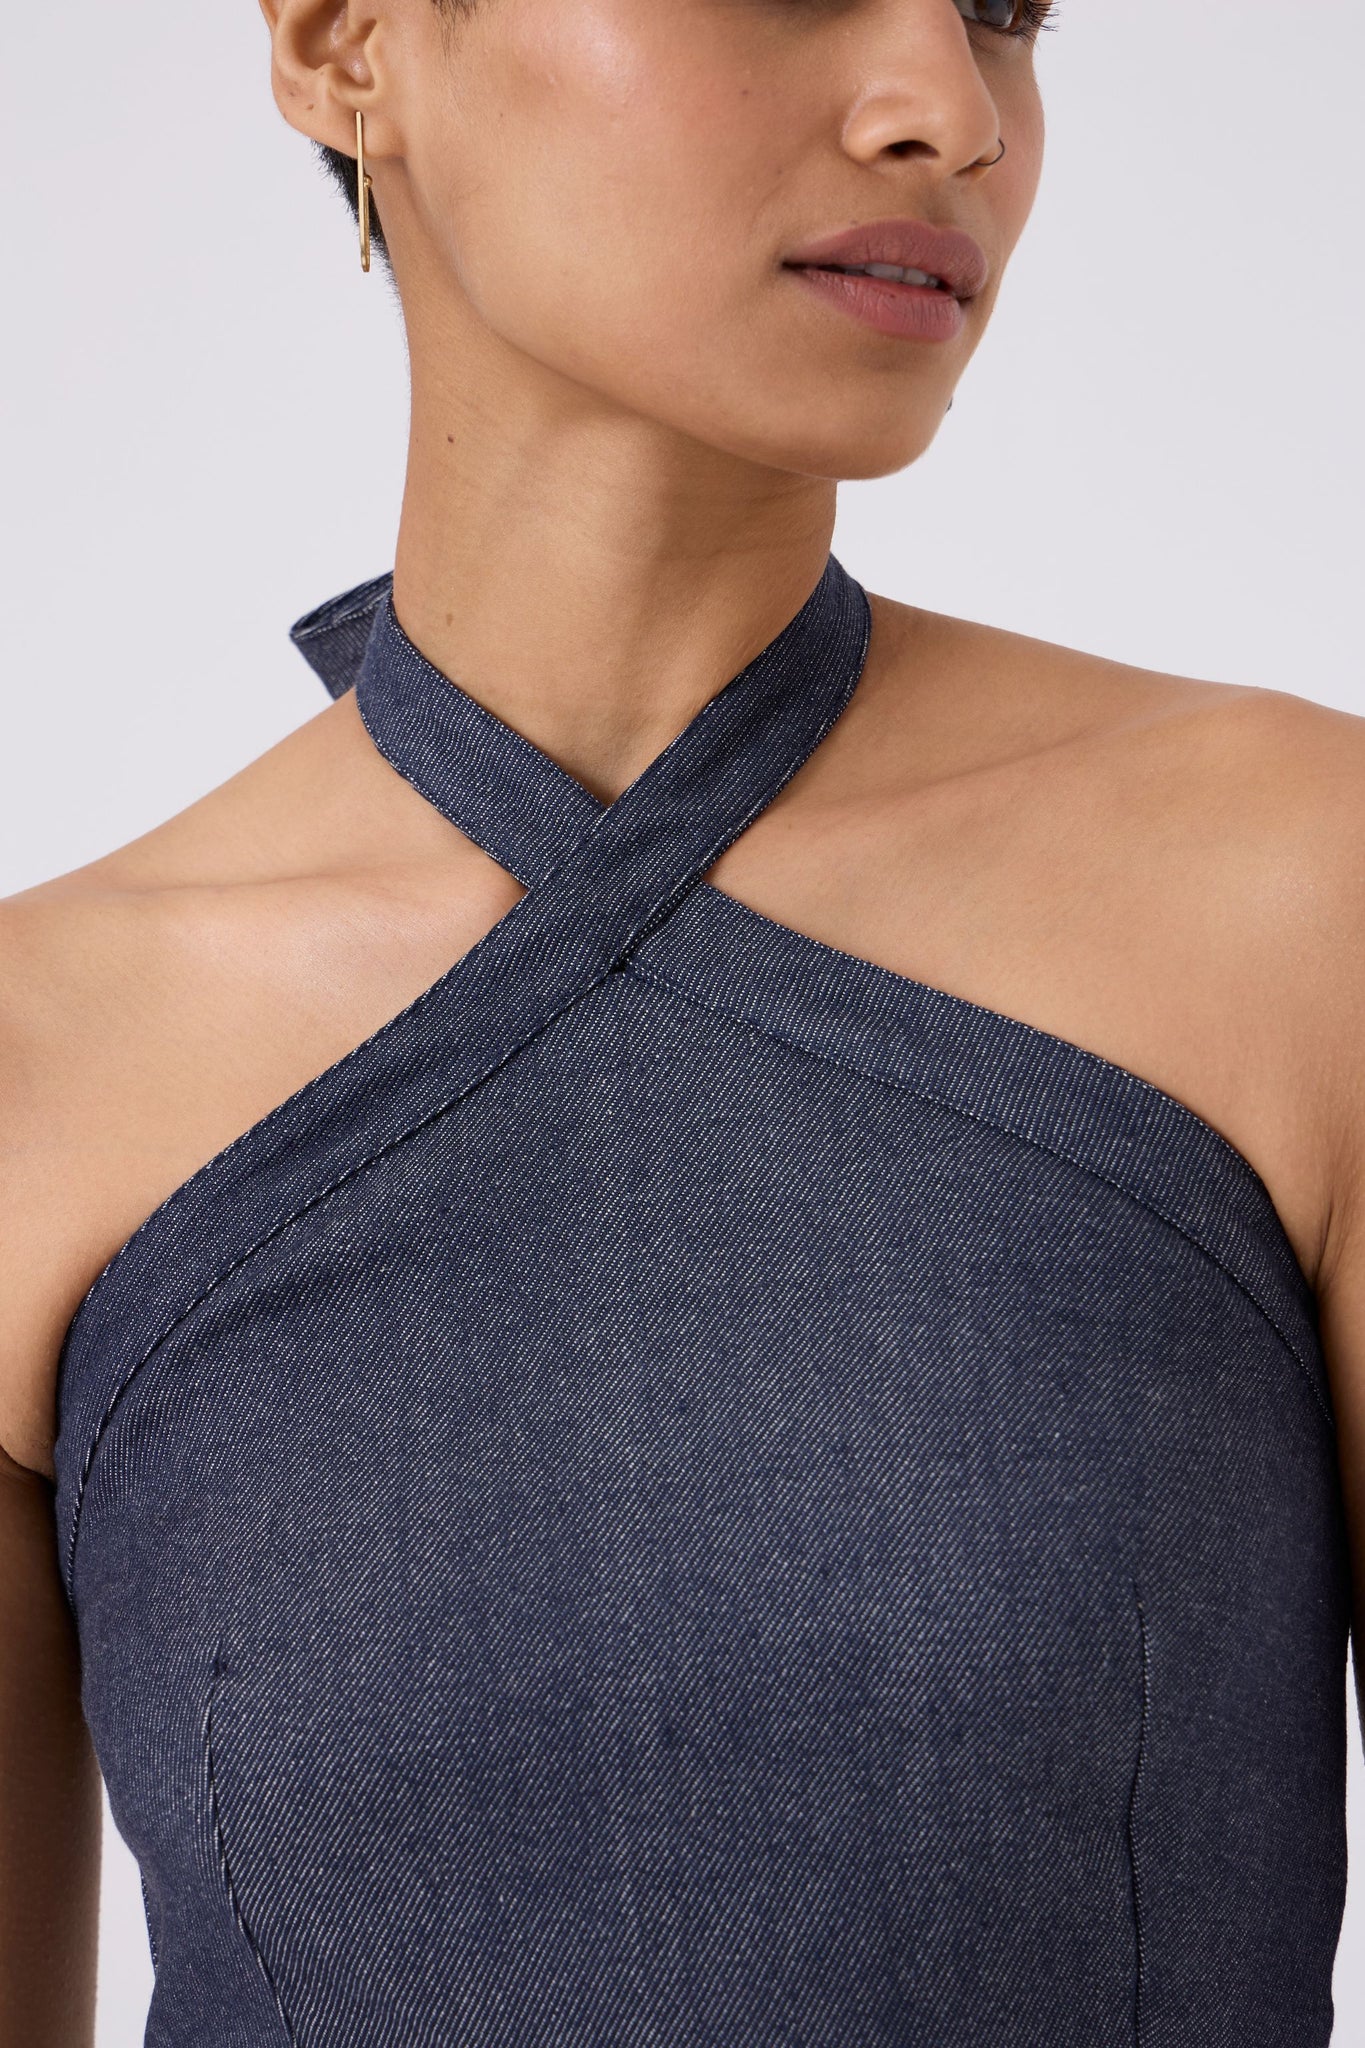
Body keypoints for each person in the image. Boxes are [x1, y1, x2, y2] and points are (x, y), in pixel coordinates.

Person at [2, 1, 1361, 2041]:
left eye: (1003, 10)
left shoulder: (1302, 895)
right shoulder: (40, 1059)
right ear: (345, 40)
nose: (950, 112)